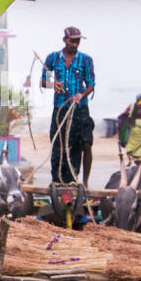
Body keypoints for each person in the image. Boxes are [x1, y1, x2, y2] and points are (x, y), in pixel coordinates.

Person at [42, 26, 96, 186]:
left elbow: (91, 85)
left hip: (80, 109)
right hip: (60, 108)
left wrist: (81, 94)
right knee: (58, 145)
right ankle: (57, 180)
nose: (75, 44)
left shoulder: (86, 60)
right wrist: (53, 84)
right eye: (72, 41)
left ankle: (83, 182)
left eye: (78, 41)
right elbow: (43, 81)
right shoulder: (52, 58)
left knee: (84, 144)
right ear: (65, 40)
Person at [120, 93, 141, 162]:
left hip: (132, 126)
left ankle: (130, 154)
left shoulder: (132, 106)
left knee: (130, 141)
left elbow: (125, 113)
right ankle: (140, 155)